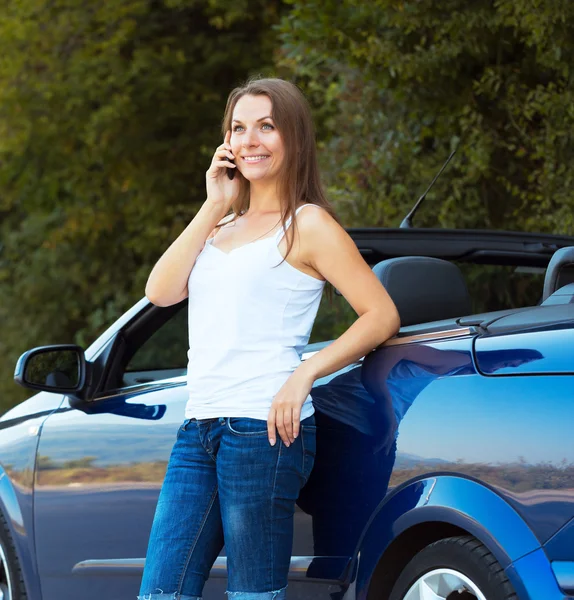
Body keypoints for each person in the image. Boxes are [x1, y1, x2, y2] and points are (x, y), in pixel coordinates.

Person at [140, 77, 400, 600]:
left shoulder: (308, 224)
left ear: (294, 139)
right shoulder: (219, 227)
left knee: (252, 595)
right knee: (160, 592)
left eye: (266, 126)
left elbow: (381, 314)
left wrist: (304, 373)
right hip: (200, 427)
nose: (249, 140)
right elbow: (161, 291)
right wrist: (214, 204)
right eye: (238, 128)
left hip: (264, 431)